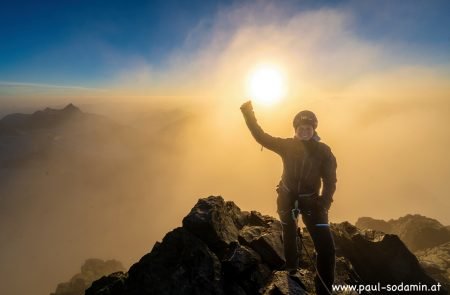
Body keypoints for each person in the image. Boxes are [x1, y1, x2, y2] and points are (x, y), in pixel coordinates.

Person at [240, 100, 337, 295]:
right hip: (286, 198)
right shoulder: (287, 146)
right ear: (295, 129)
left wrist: (324, 203)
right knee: (290, 232)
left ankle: (324, 290)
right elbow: (261, 136)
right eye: (301, 128)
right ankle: (292, 269)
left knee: (327, 250)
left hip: (313, 204)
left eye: (308, 128)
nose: (304, 131)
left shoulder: (324, 151)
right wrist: (248, 113)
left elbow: (330, 180)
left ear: (314, 129)